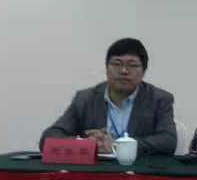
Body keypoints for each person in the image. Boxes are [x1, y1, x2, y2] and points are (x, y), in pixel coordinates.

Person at [40, 38, 176, 156]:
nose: (124, 71)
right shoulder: (85, 99)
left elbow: (168, 141)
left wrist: (119, 146)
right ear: (106, 68)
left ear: (144, 71)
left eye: (132, 65)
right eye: (116, 64)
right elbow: (49, 137)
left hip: (139, 172)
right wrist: (86, 144)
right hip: (97, 173)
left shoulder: (159, 99)